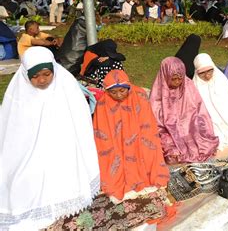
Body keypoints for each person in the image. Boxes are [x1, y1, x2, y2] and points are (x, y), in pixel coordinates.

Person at [0, 46, 100, 230]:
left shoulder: (66, 84)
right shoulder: (18, 94)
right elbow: (12, 132)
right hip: (30, 152)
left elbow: (79, 119)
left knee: (64, 174)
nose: (42, 80)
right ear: (25, 74)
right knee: (26, 180)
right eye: (35, 76)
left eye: (46, 74)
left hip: (64, 146)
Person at [92, 69, 169, 202]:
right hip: (116, 143)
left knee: (148, 152)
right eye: (113, 92)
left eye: (122, 90)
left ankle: (144, 176)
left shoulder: (139, 95)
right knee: (112, 166)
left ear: (129, 86)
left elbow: (147, 123)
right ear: (106, 91)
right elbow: (101, 132)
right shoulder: (103, 104)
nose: (119, 95)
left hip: (140, 138)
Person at [149, 57, 219, 164]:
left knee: (203, 144)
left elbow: (199, 110)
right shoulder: (158, 91)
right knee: (172, 152)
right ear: (165, 75)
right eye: (173, 79)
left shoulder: (188, 85)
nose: (177, 82)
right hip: (167, 130)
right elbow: (155, 121)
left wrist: (193, 124)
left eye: (180, 78)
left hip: (189, 125)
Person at [193, 53, 228, 149]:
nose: (207, 76)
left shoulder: (221, 80)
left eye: (210, 71)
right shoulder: (194, 86)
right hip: (208, 120)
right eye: (202, 73)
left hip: (226, 117)